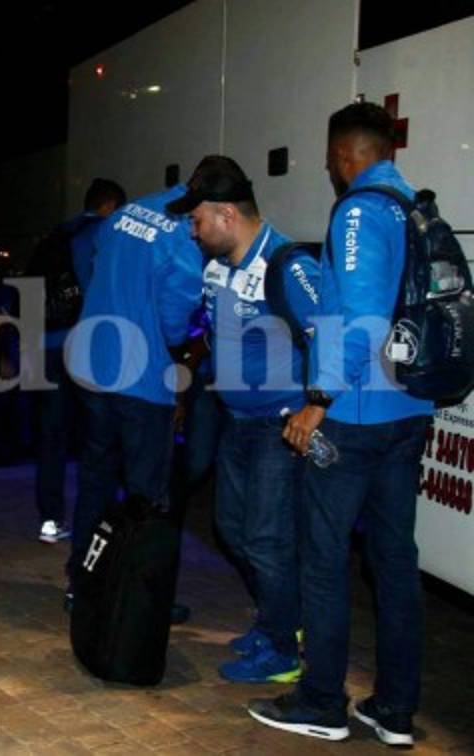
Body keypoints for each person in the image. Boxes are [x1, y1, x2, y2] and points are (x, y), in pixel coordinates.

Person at [248, 102, 433, 747]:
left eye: (331, 159)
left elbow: (360, 317)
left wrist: (317, 400)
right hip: (410, 411)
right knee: (394, 562)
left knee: (323, 562)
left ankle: (322, 702)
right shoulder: (413, 204)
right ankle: (396, 711)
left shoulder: (358, 210)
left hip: (355, 416)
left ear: (341, 155)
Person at [167, 155, 318, 684]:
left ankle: (284, 648)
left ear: (226, 213)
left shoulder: (285, 262)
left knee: (267, 538)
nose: (192, 229)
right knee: (231, 527)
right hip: (235, 420)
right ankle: (278, 620)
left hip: (278, 424)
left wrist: (314, 406)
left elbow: (333, 335)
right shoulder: (214, 267)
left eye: (197, 218)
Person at [64, 179, 203, 594]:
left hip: (94, 367)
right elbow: (175, 322)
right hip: (141, 381)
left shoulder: (125, 213)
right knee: (147, 498)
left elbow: (95, 271)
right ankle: (139, 597)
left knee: (95, 482)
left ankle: (83, 582)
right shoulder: (183, 235)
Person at [30, 178, 125, 543]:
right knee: (97, 434)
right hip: (84, 343)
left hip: (47, 342)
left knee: (51, 435)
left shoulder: (56, 235)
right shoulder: (101, 233)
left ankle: (50, 520)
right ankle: (98, 519)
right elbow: (100, 288)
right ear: (111, 206)